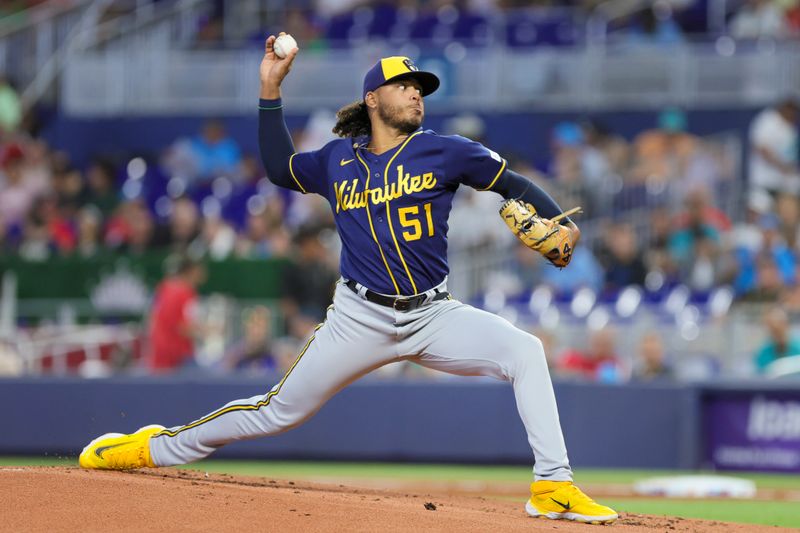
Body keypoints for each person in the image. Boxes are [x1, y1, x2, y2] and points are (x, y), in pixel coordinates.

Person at [79, 35, 617, 525]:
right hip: (358, 317)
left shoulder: (446, 150)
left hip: (433, 313)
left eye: (419, 87)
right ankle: (155, 448)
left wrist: (560, 223)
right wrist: (270, 88)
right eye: (402, 85)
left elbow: (515, 183)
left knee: (525, 352)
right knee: (275, 412)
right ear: (373, 101)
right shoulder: (337, 160)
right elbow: (279, 168)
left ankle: (553, 485)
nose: (415, 94)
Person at [145, 255, 207, 373]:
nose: (204, 273)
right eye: (201, 269)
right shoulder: (184, 292)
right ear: (192, 270)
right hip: (176, 358)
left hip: (161, 355)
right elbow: (181, 326)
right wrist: (206, 331)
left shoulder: (165, 287)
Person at [747, 98, 800, 200]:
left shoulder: (790, 127)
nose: (795, 117)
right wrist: (782, 167)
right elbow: (762, 148)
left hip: (785, 182)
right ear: (786, 109)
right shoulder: (768, 120)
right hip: (765, 180)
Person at [753, 306, 800, 373]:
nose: (777, 333)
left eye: (779, 328)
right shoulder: (763, 354)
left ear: (786, 325)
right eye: (773, 330)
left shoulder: (798, 349)